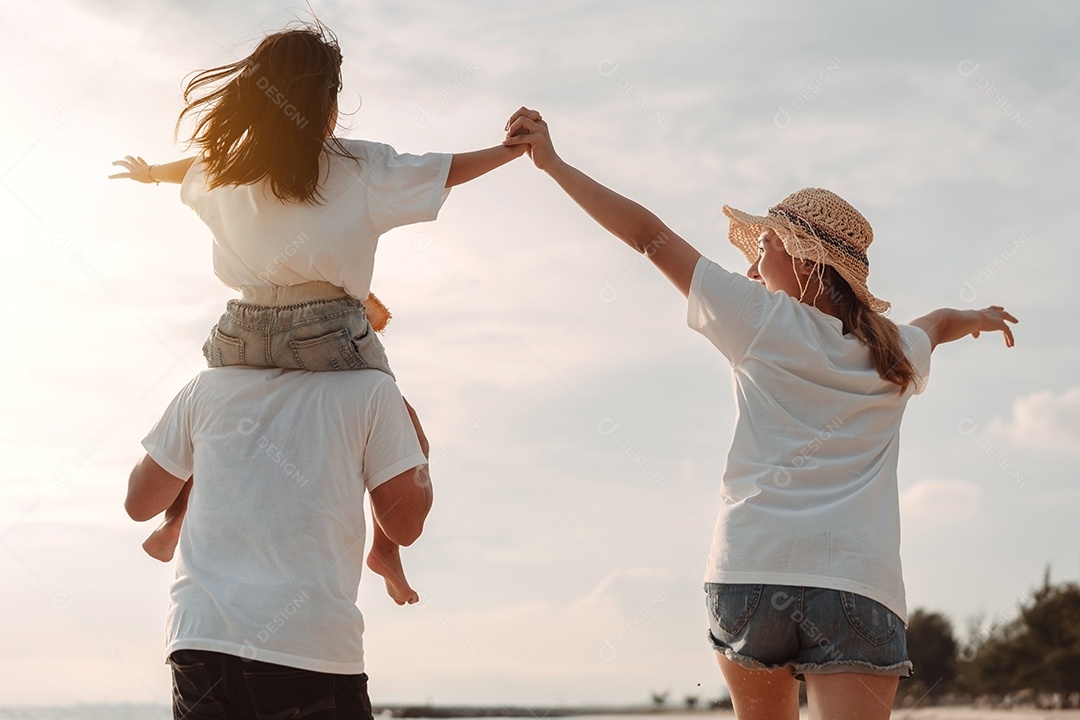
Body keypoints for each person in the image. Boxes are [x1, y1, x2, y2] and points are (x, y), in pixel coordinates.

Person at [501, 108, 1017, 720]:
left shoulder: (759, 319)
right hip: (858, 581)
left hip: (753, 571)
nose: (750, 266)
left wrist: (554, 164)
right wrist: (978, 316)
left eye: (764, 246)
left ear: (805, 258)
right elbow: (938, 322)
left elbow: (649, 236)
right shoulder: (896, 352)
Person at [109, 22, 526, 603]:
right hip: (326, 330)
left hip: (241, 333)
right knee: (397, 425)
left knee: (208, 426)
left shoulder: (226, 168)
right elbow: (444, 169)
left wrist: (153, 173)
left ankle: (174, 519)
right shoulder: (359, 167)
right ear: (327, 103)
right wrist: (512, 151)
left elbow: (194, 168)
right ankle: (387, 546)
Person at [126, 365, 431, 719]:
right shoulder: (372, 388)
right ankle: (384, 551)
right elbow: (406, 526)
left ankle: (175, 519)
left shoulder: (206, 387)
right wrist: (418, 450)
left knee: (198, 454)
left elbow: (138, 504)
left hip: (202, 640)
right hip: (308, 642)